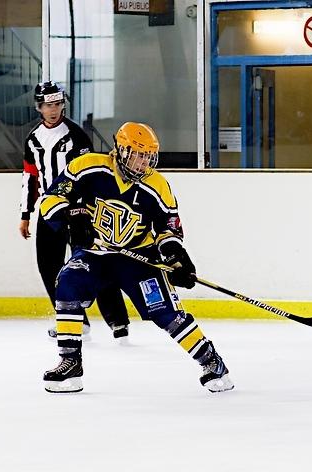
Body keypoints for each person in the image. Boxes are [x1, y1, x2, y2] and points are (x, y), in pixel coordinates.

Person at [38, 122, 233, 394]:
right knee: (68, 284)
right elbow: (50, 199)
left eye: (148, 156)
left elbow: (169, 226)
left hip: (138, 258)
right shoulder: (88, 166)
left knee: (167, 314)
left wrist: (176, 256)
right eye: (137, 154)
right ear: (120, 149)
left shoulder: (158, 185)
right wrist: (71, 217)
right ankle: (70, 362)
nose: (143, 162)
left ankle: (211, 362)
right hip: (96, 253)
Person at [19, 81, 130, 340]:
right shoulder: (33, 139)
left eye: (58, 103)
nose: (54, 109)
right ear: (39, 107)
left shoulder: (76, 135)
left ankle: (117, 320)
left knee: (93, 262)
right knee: (49, 267)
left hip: (79, 210)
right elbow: (30, 177)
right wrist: (26, 214)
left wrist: (90, 209)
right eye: (48, 105)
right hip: (49, 212)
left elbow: (90, 175)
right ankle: (75, 320)